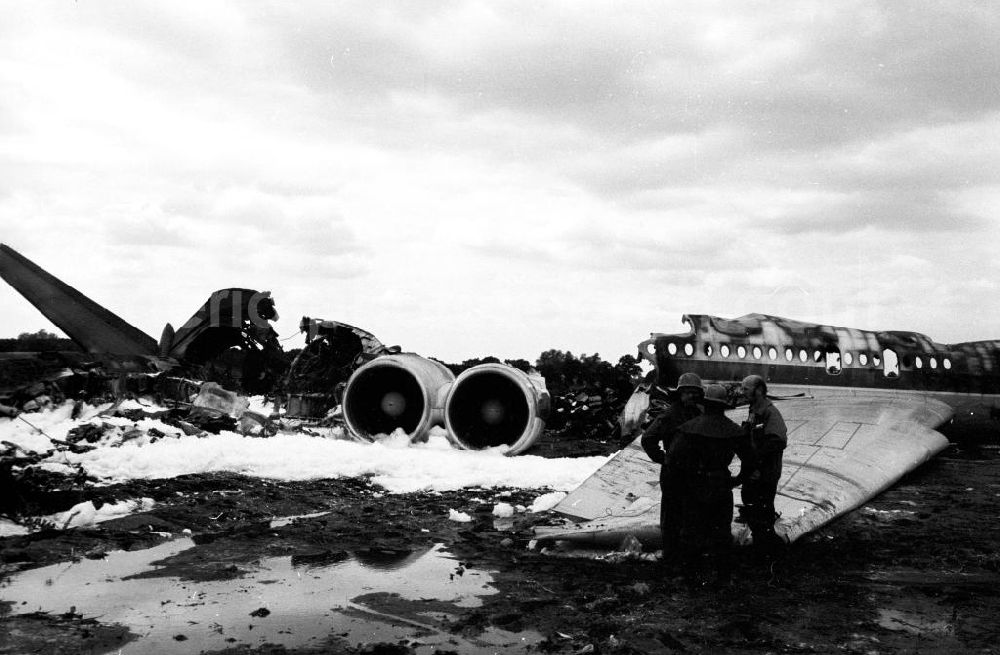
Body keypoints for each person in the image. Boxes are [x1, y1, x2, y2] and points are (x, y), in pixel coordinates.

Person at [664, 383, 747, 586]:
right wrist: (737, 479)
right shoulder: (734, 430)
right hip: (721, 484)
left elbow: (672, 458)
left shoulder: (689, 429)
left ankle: (688, 574)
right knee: (722, 532)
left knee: (691, 531)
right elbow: (751, 459)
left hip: (695, 484)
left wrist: (682, 480)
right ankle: (723, 577)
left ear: (705, 403)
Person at [640, 372, 703, 563]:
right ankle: (672, 554)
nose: (692, 396)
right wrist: (663, 459)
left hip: (693, 471)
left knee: (691, 512)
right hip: (674, 471)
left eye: (695, 393)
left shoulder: (698, 414)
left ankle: (685, 553)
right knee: (672, 514)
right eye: (688, 392)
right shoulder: (670, 415)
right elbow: (648, 439)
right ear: (680, 393)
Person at [736, 374, 788, 553]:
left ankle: (768, 550)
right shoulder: (754, 410)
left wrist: (756, 460)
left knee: (763, 511)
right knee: (752, 506)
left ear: (758, 391)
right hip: (754, 473)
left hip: (764, 474)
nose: (742, 392)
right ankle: (762, 545)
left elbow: (778, 440)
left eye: (745, 389)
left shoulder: (769, 412)